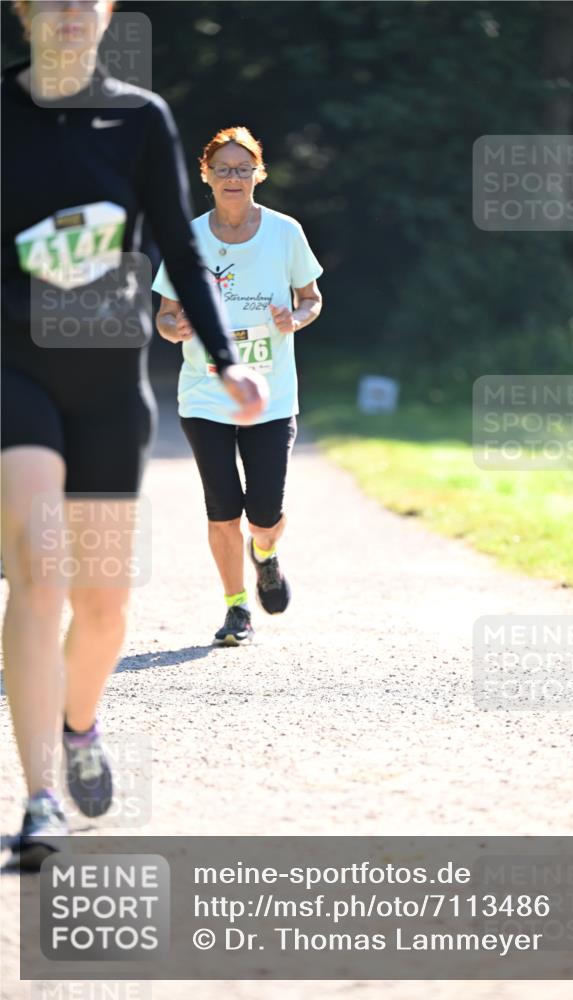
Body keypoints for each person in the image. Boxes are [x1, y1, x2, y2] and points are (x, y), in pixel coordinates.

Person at [1, 0, 268, 867]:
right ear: (23, 10)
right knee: (40, 572)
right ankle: (40, 798)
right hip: (13, 372)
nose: (71, 14)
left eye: (87, 0)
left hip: (111, 382)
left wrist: (224, 357)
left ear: (106, 13)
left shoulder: (140, 118)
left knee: (106, 608)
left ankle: (82, 726)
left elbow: (182, 251)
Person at [153, 126, 323, 646]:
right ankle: (236, 609)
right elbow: (164, 315)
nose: (233, 177)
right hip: (205, 394)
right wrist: (174, 327)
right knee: (222, 510)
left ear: (259, 175)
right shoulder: (189, 238)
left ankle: (266, 554)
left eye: (242, 168)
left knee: (263, 516)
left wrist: (295, 318)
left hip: (270, 396)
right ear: (206, 175)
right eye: (223, 169)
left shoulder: (285, 232)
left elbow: (312, 298)